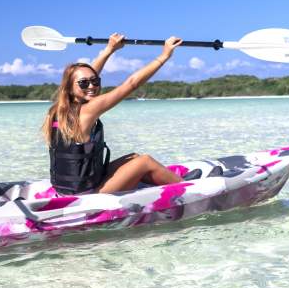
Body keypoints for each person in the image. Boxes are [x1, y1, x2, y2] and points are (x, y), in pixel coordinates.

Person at [42, 33, 186, 194]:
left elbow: (86, 76)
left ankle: (164, 182)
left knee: (133, 157)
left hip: (65, 189)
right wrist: (164, 55)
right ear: (70, 87)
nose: (91, 86)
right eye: (84, 83)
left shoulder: (58, 109)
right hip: (86, 196)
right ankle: (188, 187)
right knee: (144, 161)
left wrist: (109, 49)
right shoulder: (89, 109)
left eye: (95, 81)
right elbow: (131, 84)